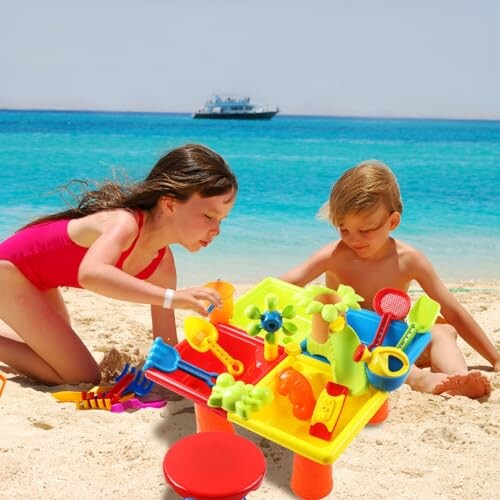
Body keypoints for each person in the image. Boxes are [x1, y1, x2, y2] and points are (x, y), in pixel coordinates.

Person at [0, 144, 237, 386]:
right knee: (81, 375)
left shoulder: (163, 265)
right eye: (209, 216)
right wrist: (171, 297)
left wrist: (195, 374)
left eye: (222, 221)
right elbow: (91, 274)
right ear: (170, 204)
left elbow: (165, 344)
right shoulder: (124, 223)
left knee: (52, 354)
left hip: (39, 282)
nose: (216, 230)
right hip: (8, 273)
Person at [280, 160, 498, 398]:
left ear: (392, 222)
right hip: (349, 345)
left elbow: (454, 312)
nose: (353, 239)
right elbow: (283, 284)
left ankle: (458, 377)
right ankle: (423, 379)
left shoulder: (409, 260)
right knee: (373, 351)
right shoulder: (333, 255)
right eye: (344, 229)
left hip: (395, 339)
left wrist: (495, 358)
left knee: (442, 330)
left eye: (364, 230)